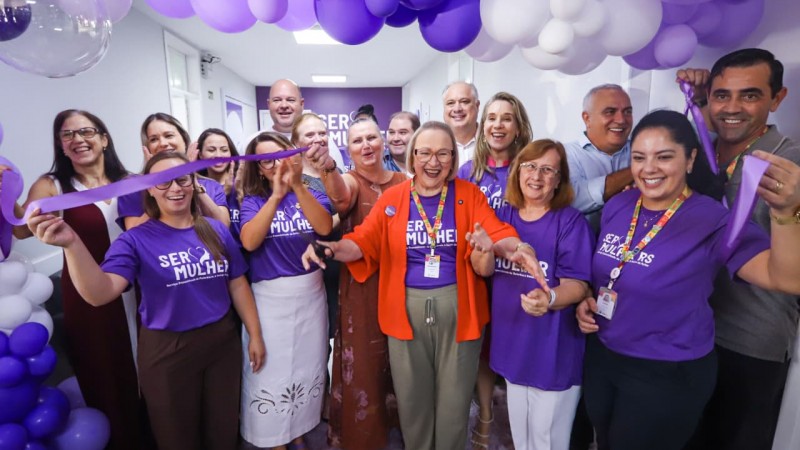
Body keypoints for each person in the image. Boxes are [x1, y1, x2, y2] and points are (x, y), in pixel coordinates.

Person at [302, 121, 546, 450]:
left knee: (454, 403)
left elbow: (497, 233)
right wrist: (329, 248)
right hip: (404, 313)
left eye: (443, 153)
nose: (433, 162)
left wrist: (520, 249)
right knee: (413, 402)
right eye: (425, 153)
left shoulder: (467, 195)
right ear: (412, 156)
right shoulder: (394, 199)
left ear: (453, 157)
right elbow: (360, 242)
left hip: (460, 314)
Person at [575, 109, 800, 450]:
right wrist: (585, 301)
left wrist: (786, 214)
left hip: (667, 370)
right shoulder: (619, 206)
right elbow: (610, 274)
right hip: (604, 357)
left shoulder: (712, 219)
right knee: (604, 441)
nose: (648, 169)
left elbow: (785, 278)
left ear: (690, 159)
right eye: (639, 157)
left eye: (664, 157)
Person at [27, 151, 265, 450]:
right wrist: (72, 244)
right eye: (163, 182)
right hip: (167, 351)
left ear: (193, 182)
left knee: (223, 427)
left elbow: (237, 284)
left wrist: (254, 334)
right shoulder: (135, 239)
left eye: (182, 179)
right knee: (176, 435)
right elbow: (100, 293)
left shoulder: (215, 229)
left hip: (221, 343)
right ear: (149, 188)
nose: (175, 189)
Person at [677, 48, 800, 450]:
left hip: (750, 341)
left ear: (776, 98)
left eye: (749, 95)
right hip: (690, 332)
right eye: (721, 95)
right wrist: (693, 102)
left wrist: (790, 210)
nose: (732, 108)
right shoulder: (698, 150)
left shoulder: (791, 164)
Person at [0, 109, 141, 450]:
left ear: (104, 138)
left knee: (145, 364)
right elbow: (21, 227)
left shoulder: (131, 179)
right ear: (61, 146)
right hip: (86, 296)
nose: (78, 140)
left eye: (86, 131)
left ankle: (149, 431)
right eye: (67, 135)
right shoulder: (53, 185)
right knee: (102, 369)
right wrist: (5, 191)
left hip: (140, 292)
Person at [470, 139, 594, 450]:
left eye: (547, 169)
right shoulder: (503, 216)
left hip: (552, 351)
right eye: (529, 166)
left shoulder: (570, 222)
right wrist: (483, 249)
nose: (536, 176)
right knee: (522, 439)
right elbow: (485, 267)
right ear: (517, 172)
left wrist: (549, 299)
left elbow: (578, 284)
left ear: (558, 180)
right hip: (513, 346)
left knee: (547, 441)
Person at [306, 118, 406, 449]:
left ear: (383, 142)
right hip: (362, 284)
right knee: (365, 362)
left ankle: (402, 426)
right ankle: (366, 438)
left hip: (403, 281)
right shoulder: (348, 179)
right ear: (348, 150)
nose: (366, 145)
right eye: (357, 141)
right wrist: (330, 168)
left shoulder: (405, 180)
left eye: (372, 138)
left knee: (402, 359)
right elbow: (339, 199)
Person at [238, 132, 334, 450]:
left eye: (280, 155)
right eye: (265, 160)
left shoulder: (311, 190)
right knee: (269, 372)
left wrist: (295, 187)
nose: (275, 164)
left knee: (307, 367)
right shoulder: (252, 201)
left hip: (311, 297)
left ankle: (298, 429)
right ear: (258, 168)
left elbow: (323, 227)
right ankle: (273, 438)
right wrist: (276, 196)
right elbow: (250, 241)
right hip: (270, 302)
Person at [456, 91, 533, 449]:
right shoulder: (467, 172)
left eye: (506, 118)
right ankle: (486, 415)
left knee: (518, 345)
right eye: (491, 118)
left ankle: (526, 422)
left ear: (518, 127)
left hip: (519, 273)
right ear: (482, 125)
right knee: (483, 350)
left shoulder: (530, 168)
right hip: (479, 272)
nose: (497, 125)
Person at [118, 113, 230, 230]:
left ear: (184, 140)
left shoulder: (211, 185)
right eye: (154, 139)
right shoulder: (131, 186)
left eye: (169, 136)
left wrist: (192, 180)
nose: (163, 143)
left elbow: (223, 226)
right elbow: (133, 232)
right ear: (147, 147)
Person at [565, 84, 634, 232]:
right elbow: (575, 199)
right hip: (580, 251)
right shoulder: (565, 153)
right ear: (587, 118)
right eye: (610, 112)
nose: (621, 120)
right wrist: (638, 170)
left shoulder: (643, 149)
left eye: (627, 112)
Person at [268, 78, 347, 170]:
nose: (284, 105)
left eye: (291, 100)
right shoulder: (255, 142)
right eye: (277, 100)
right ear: (269, 104)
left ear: (302, 104)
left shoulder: (324, 143)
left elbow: (340, 180)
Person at [196, 128, 242, 238]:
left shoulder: (242, 181)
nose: (218, 155)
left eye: (224, 150)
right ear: (201, 155)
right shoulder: (196, 186)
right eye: (211, 150)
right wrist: (223, 193)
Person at [443, 81, 481, 167]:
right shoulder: (435, 144)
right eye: (450, 103)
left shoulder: (492, 142)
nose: (457, 109)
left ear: (477, 106)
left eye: (464, 101)